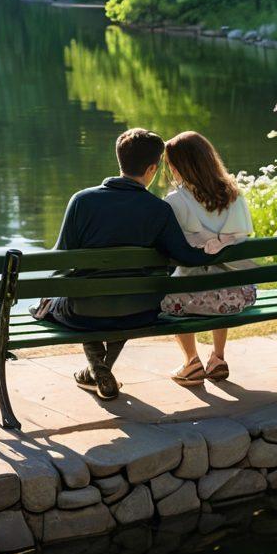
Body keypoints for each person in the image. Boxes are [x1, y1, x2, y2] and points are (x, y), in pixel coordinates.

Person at [34, 127, 223, 401]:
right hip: (140, 311)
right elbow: (186, 256)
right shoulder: (159, 209)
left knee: (73, 298)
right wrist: (219, 248)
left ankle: (97, 369)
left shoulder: (82, 201)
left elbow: (60, 260)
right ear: (152, 168)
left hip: (84, 313)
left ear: (120, 159)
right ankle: (97, 371)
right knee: (124, 296)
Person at [162, 131, 256, 387]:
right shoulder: (233, 194)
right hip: (236, 296)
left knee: (170, 289)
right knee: (221, 277)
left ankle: (192, 361)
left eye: (170, 164)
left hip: (190, 299)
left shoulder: (175, 201)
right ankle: (218, 358)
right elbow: (241, 239)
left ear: (179, 166)